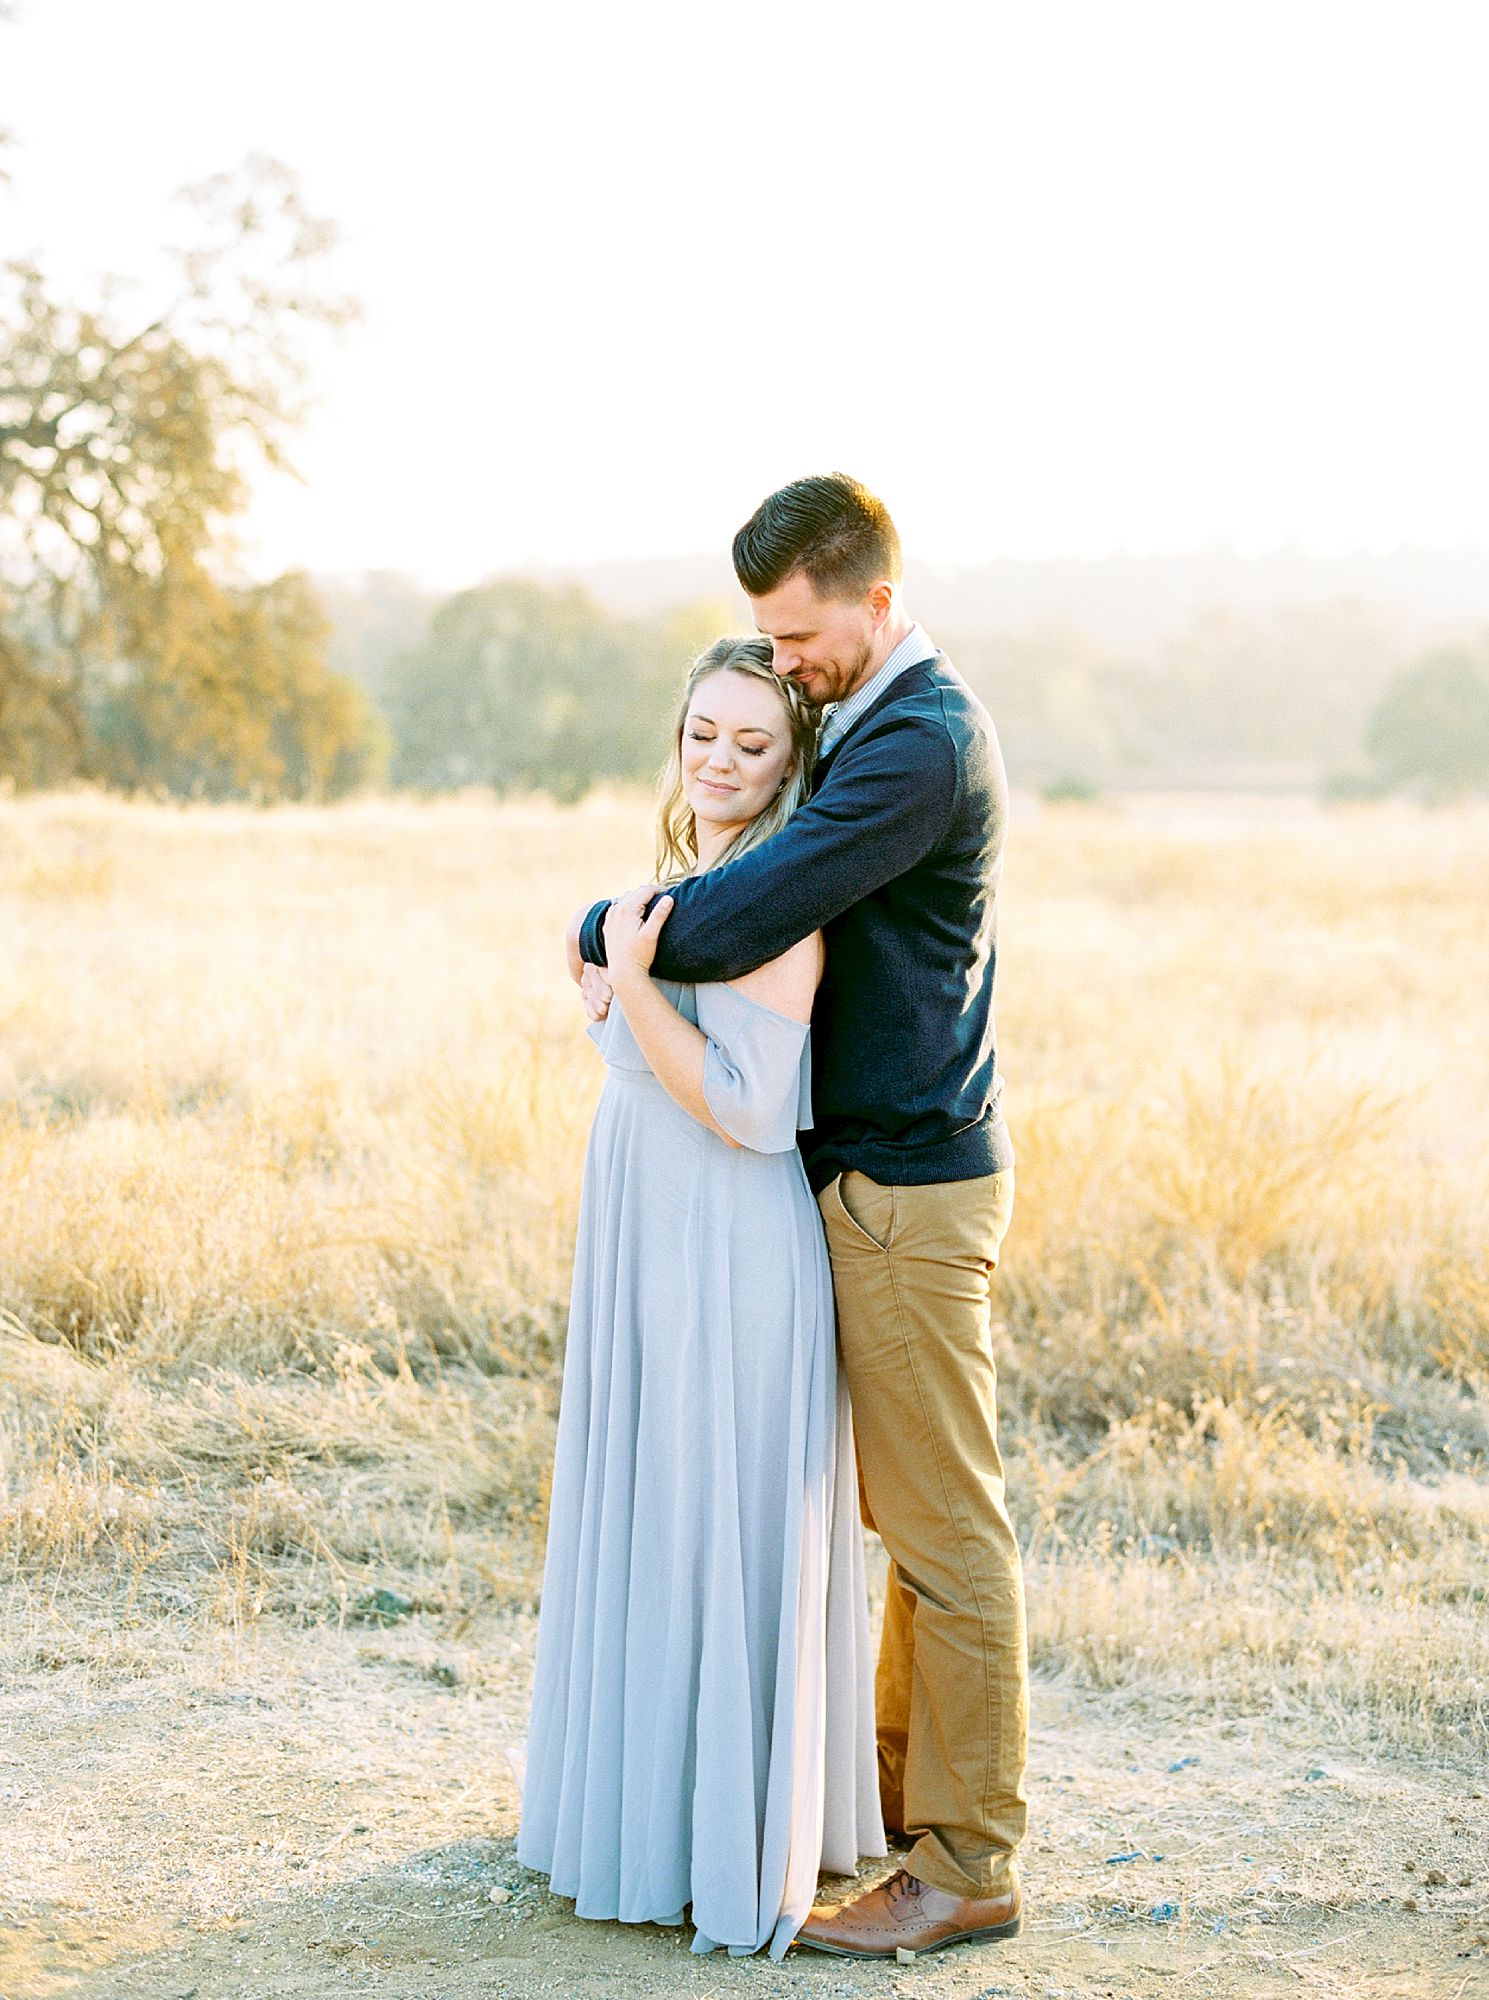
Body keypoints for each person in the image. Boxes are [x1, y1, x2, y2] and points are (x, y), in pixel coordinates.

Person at [571, 474, 1027, 1959]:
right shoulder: (873, 722)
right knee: (901, 1512)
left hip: (905, 1185)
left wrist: (598, 936)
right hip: (869, 1175)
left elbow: (750, 908)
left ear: (876, 605)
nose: (781, 664)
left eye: (801, 635)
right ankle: (905, 1809)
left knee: (944, 1526)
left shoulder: (915, 745)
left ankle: (962, 1862)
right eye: (764, 638)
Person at [517, 637, 885, 1960]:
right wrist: (613, 971)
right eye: (702, 736)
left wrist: (623, 975)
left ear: (794, 766)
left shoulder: (779, 905)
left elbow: (748, 1107)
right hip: (644, 1224)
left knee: (711, 1513)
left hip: (729, 1240)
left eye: (753, 745)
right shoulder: (687, 890)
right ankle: (642, 1815)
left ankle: (720, 1843)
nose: (719, 763)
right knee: (650, 1506)